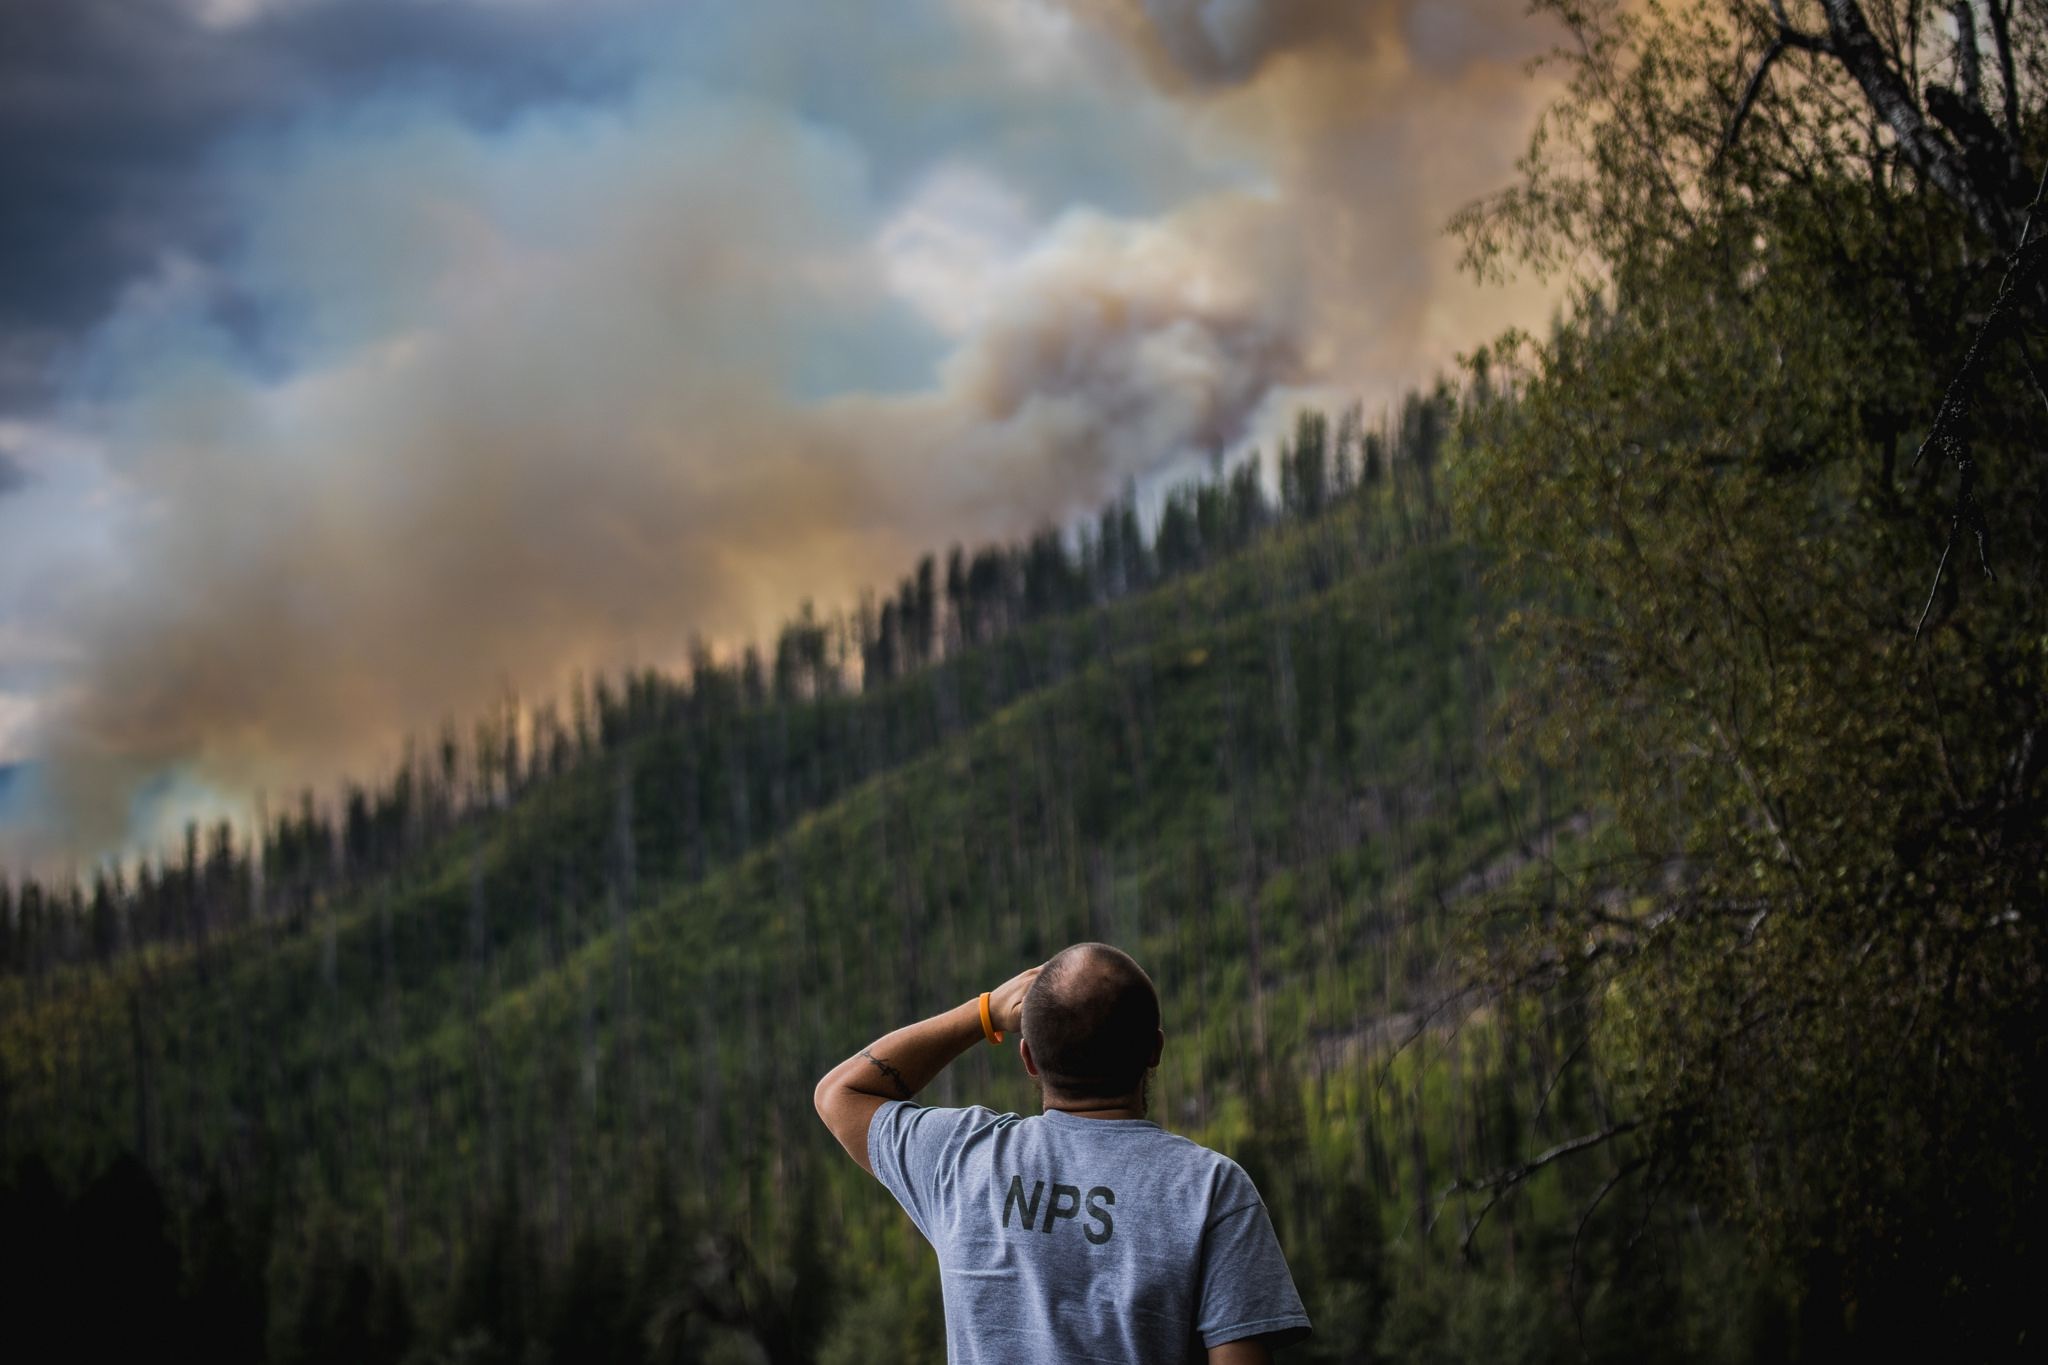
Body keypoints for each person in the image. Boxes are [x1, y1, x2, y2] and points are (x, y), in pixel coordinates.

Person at [814, 941, 1312, 1362]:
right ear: (1155, 1051)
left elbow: (841, 1094)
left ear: (1028, 1058)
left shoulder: (960, 1157)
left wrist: (984, 1012)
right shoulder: (1213, 1190)